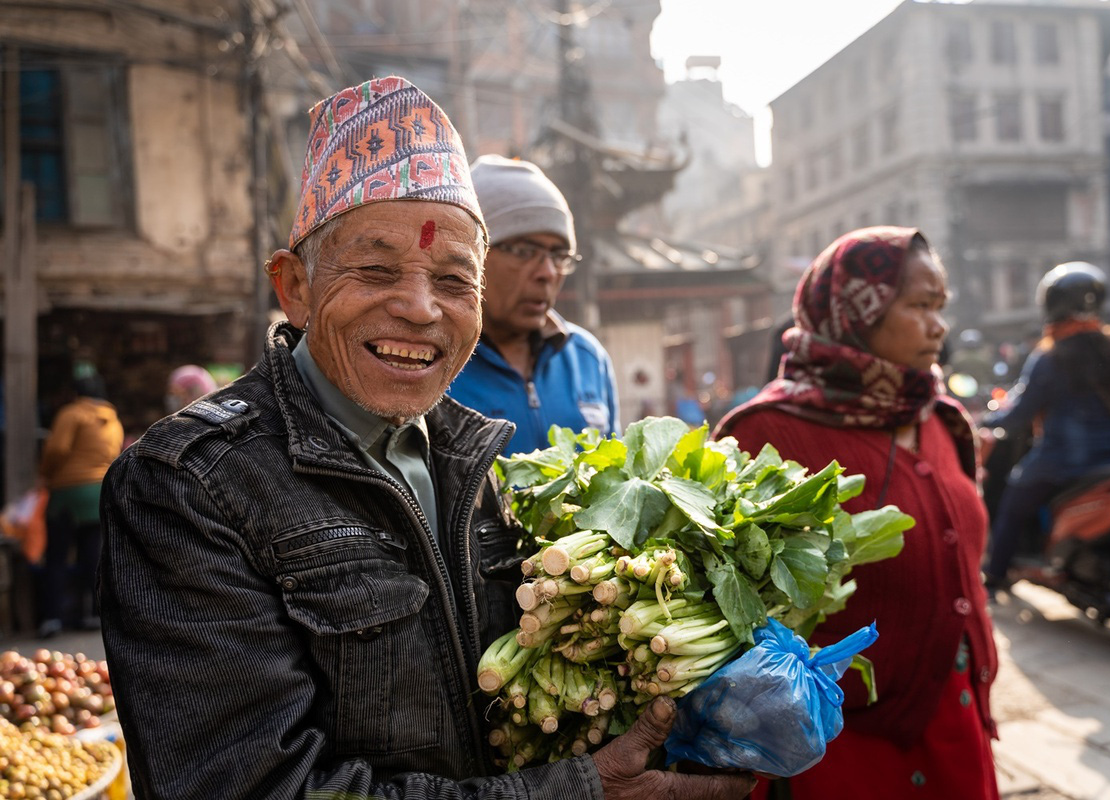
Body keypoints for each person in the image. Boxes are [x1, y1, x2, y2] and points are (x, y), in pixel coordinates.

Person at [98, 76, 754, 800]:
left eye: (453, 279)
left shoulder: (482, 467)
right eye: (376, 269)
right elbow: (252, 787)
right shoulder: (188, 487)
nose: (419, 308)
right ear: (294, 287)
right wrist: (577, 792)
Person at [714, 227, 1000, 800]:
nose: (937, 326)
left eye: (939, 307)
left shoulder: (940, 418)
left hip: (953, 713)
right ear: (856, 310)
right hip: (833, 746)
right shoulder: (764, 433)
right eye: (918, 306)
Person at [982, 262, 1110, 591]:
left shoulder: (1049, 355)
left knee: (1012, 503)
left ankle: (995, 577)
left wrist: (988, 421)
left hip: (1063, 459)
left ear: (1051, 305)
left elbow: (1019, 414)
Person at [446, 154, 619, 455]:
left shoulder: (587, 359)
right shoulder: (437, 366)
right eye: (525, 251)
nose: (548, 273)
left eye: (559, 256)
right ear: (473, 255)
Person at [38, 363, 123, 638]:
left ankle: (52, 617)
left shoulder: (71, 413)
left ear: (76, 392)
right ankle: (96, 615)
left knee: (57, 556)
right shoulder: (112, 418)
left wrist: (45, 475)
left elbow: (57, 449)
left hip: (68, 494)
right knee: (93, 557)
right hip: (99, 491)